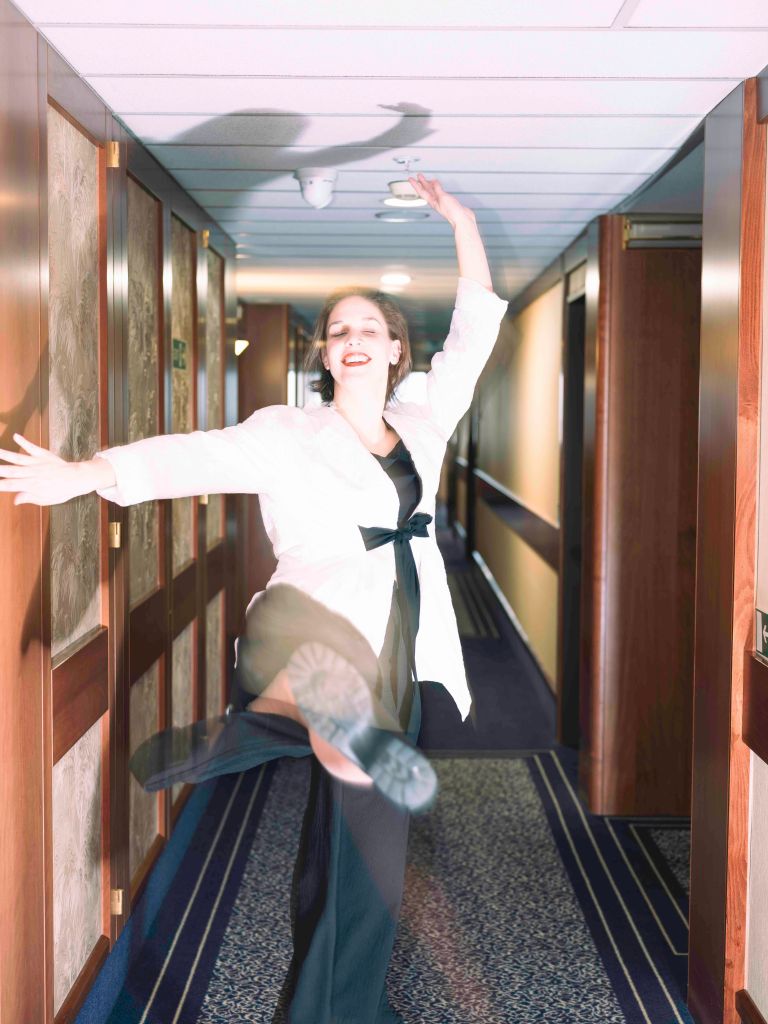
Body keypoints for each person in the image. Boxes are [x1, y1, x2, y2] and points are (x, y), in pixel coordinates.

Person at [0, 174, 508, 1024]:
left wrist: (460, 219)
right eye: (338, 331)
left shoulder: (424, 420)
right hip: (313, 632)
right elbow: (190, 455)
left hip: (399, 647)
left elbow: (475, 328)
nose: (352, 340)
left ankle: (258, 736)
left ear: (395, 350)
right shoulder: (287, 434)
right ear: (325, 354)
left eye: (370, 329)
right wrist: (86, 473)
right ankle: (338, 1006)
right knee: (373, 848)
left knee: (343, 845)